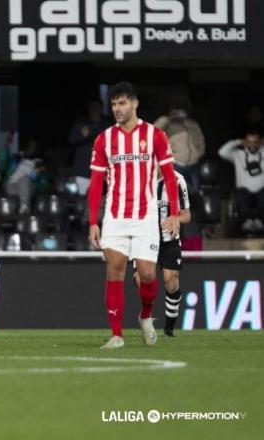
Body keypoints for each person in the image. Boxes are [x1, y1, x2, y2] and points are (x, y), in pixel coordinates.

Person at [87, 82, 181, 349]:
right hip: (115, 216)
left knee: (148, 275)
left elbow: (170, 177)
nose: (117, 108)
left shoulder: (155, 135)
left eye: (122, 103)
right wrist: (93, 221)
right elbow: (96, 185)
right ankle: (117, 335)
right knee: (114, 271)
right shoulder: (104, 139)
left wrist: (174, 212)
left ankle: (146, 314)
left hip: (146, 216)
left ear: (134, 104)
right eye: (114, 104)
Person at [134, 169, 191, 337]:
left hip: (169, 239)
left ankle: (168, 330)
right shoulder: (139, 176)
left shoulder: (178, 179)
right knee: (142, 280)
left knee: (171, 282)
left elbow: (187, 215)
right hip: (144, 238)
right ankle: (146, 317)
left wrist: (176, 219)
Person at [155, 98, 205, 190]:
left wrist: (198, 154)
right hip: (176, 165)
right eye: (178, 110)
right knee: (176, 195)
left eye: (183, 109)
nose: (181, 112)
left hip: (194, 165)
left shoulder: (193, 123)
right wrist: (168, 118)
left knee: (195, 195)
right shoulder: (168, 123)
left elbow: (201, 140)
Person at [218, 131, 264, 232]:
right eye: (249, 142)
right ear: (245, 142)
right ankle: (246, 222)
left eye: (255, 142)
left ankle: (260, 222)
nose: (252, 144)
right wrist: (238, 142)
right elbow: (222, 152)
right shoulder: (238, 154)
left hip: (262, 191)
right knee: (241, 195)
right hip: (243, 191)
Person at [68, 100, 111, 195]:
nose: (94, 109)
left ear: (101, 108)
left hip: (101, 171)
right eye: (92, 107)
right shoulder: (81, 123)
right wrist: (82, 136)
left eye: (96, 107)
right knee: (81, 201)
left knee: (100, 201)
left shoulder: (107, 124)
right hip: (83, 170)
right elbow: (71, 140)